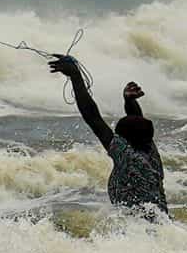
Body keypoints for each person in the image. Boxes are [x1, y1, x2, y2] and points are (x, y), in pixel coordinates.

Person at [48, 55, 168, 217]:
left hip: (138, 228)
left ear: (124, 141)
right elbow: (138, 126)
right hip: (160, 223)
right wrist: (129, 101)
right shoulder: (150, 154)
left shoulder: (127, 157)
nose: (113, 137)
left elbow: (92, 117)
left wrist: (75, 76)